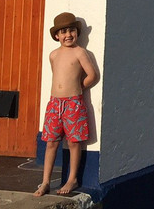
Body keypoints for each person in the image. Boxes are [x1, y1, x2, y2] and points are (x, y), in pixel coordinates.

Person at [34, 12, 99, 197]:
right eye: (63, 32)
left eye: (71, 30)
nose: (68, 35)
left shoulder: (80, 52)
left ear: (76, 33)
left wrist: (78, 87)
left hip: (73, 103)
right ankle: (46, 181)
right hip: (55, 103)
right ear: (57, 35)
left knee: (73, 142)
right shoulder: (53, 54)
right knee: (51, 142)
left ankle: (72, 178)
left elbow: (92, 75)